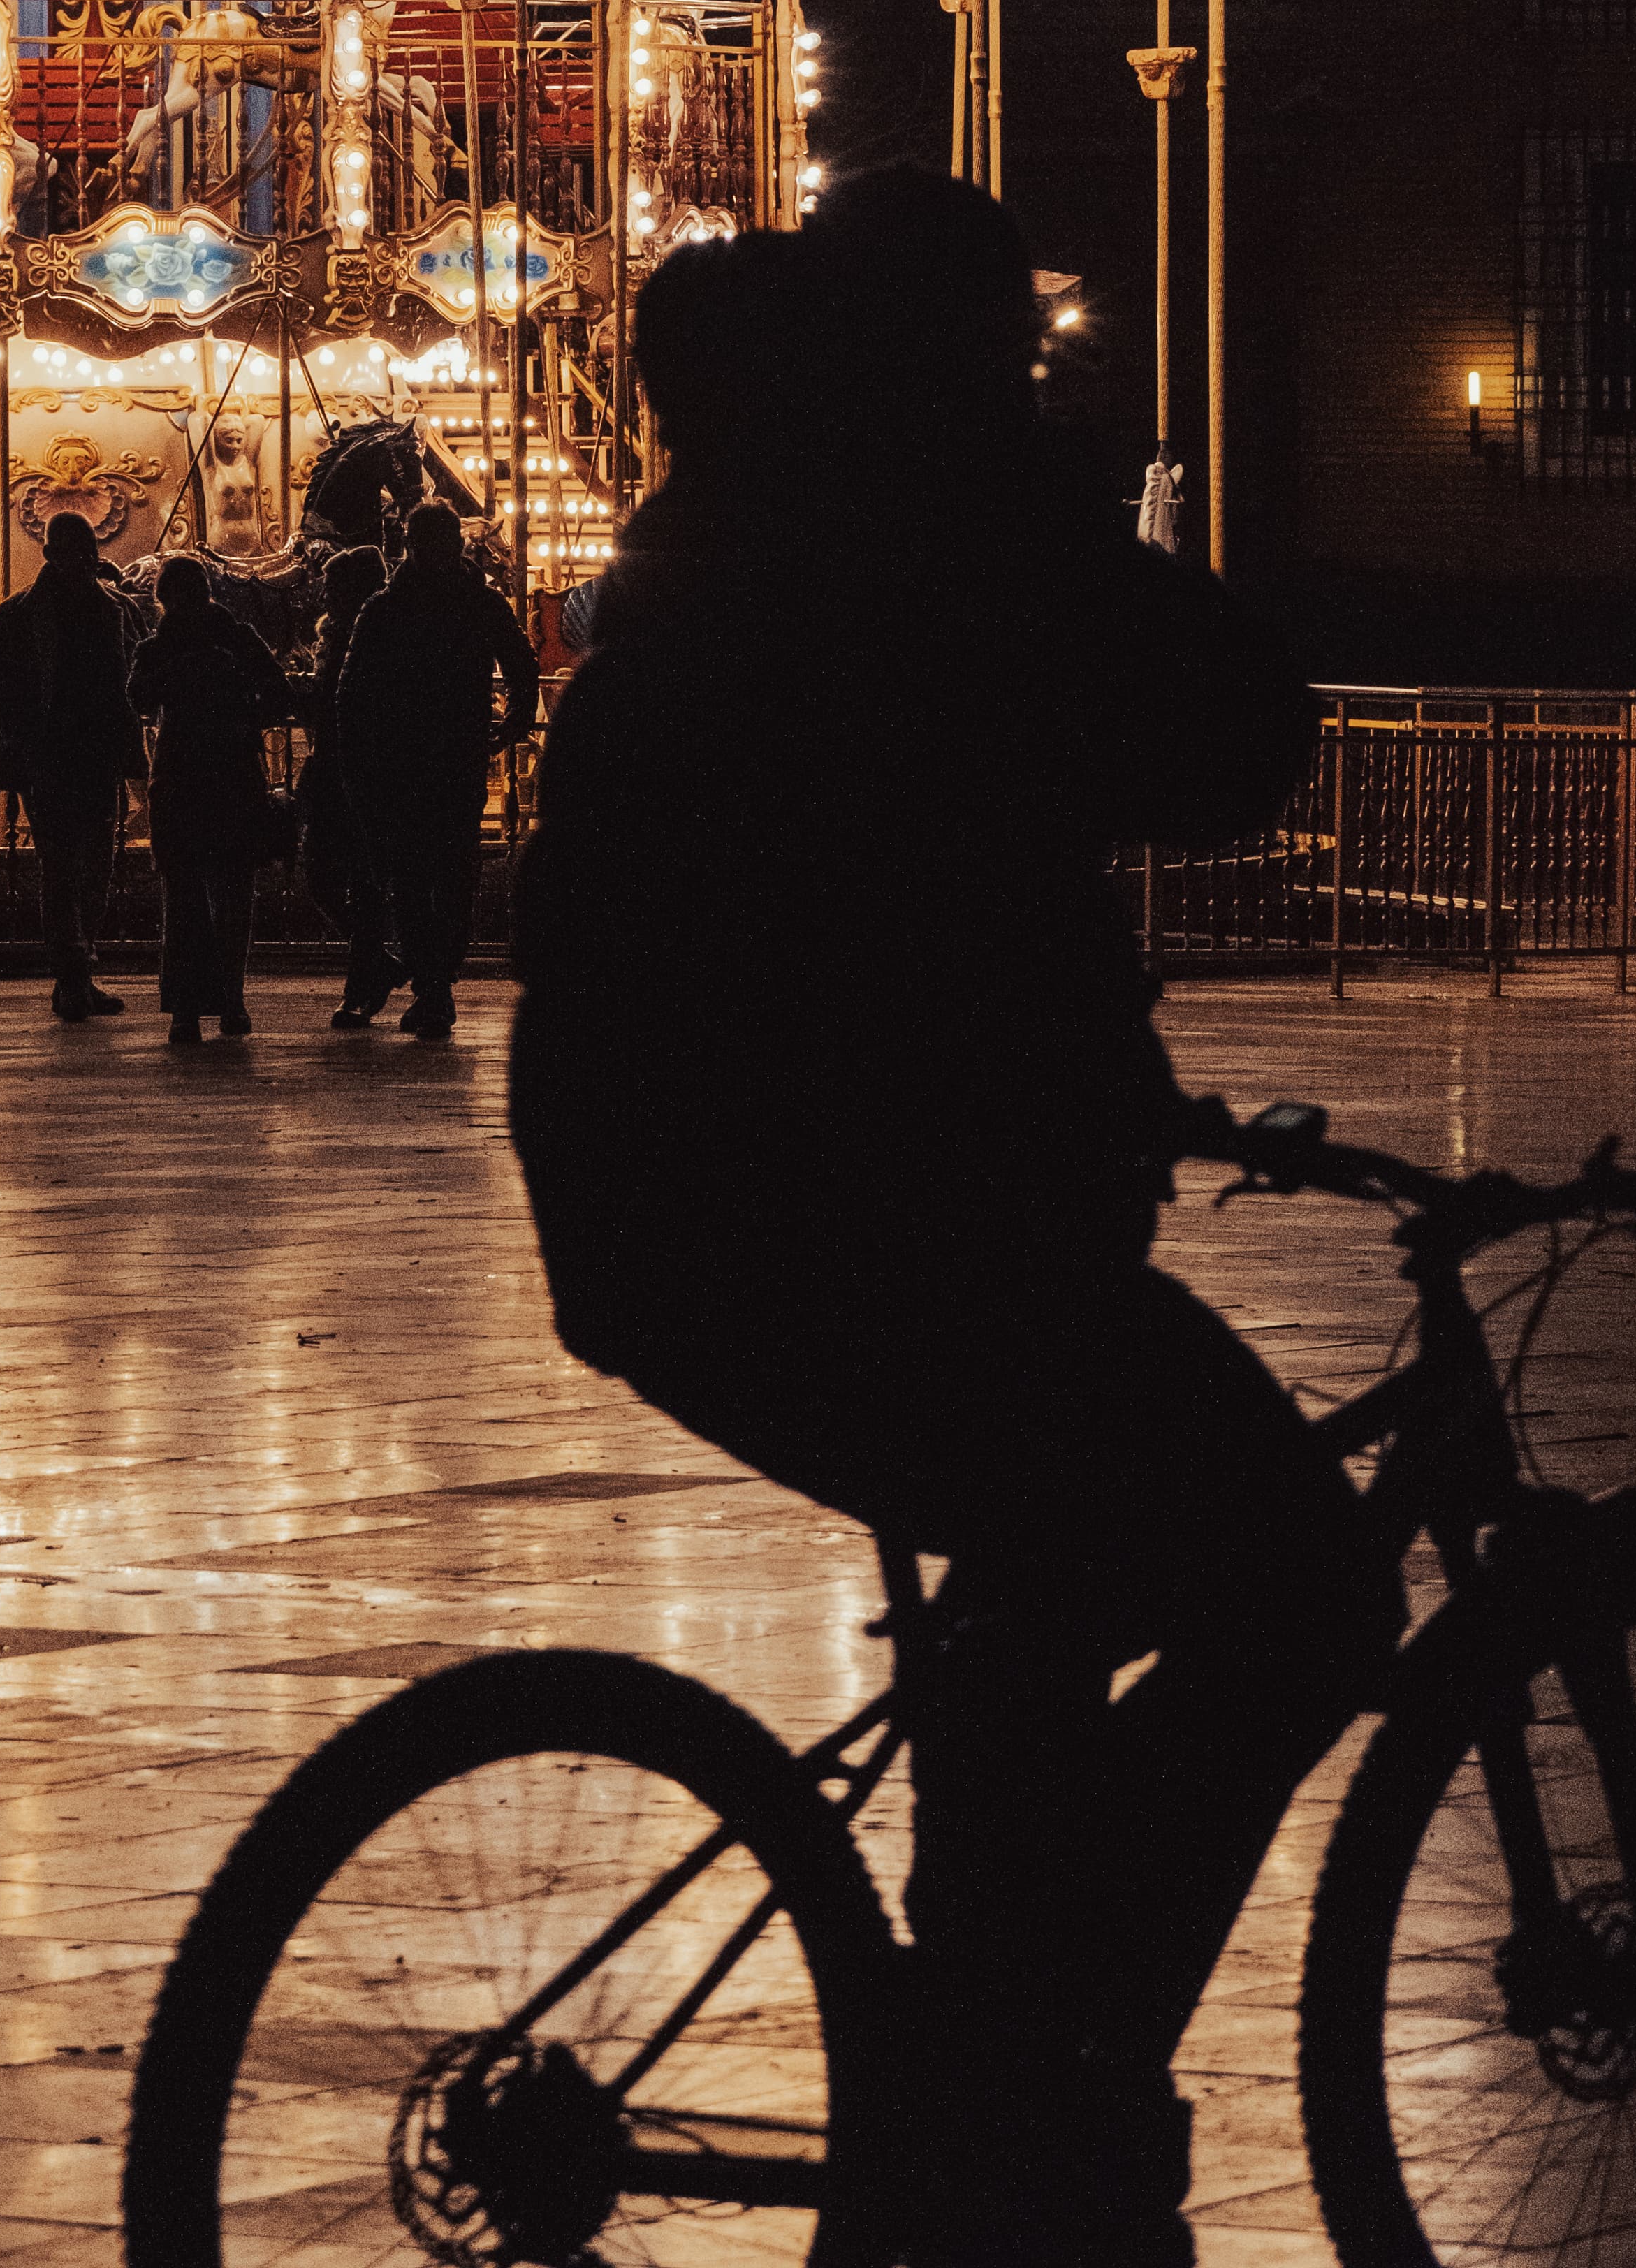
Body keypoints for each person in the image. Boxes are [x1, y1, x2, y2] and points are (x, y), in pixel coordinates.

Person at [508, 171, 1385, 2268]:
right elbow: (1226, 728)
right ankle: (1034, 2063)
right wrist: (1082, 512)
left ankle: (993, 2081)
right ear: (963, 353)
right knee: (1301, 1592)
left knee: (1041, 1580)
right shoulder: (945, 516)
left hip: (682, 1202)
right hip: (883, 1218)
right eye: (1013, 354)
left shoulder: (741, 517)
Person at [337, 500, 538, 1038]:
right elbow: (522, 664)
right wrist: (513, 722)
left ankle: (431, 981)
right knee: (447, 875)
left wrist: (358, 761)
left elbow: (352, 693)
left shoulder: (387, 608)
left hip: (408, 759)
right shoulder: (478, 603)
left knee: (417, 877)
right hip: (452, 754)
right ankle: (436, 980)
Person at [127, 558, 295, 1042]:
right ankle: (232, 1000)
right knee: (234, 892)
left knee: (183, 895)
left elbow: (138, 698)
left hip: (179, 777)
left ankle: (185, 1007)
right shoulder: (239, 640)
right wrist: (242, 713)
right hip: (234, 773)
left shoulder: (157, 648)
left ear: (163, 600)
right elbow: (280, 696)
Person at [0, 513, 136, 1019]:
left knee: (95, 868)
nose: (86, 561)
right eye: (76, 552)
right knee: (65, 867)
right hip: (51, 755)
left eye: (89, 552)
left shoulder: (108, 609)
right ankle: (72, 974)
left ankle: (77, 971)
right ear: (52, 555)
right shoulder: (20, 615)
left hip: (92, 753)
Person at [294, 544, 400, 1027]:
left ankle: (363, 983)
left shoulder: (368, 639)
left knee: (356, 880)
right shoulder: (339, 638)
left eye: (334, 587)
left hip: (357, 771)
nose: (326, 596)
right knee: (329, 877)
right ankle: (377, 965)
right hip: (341, 770)